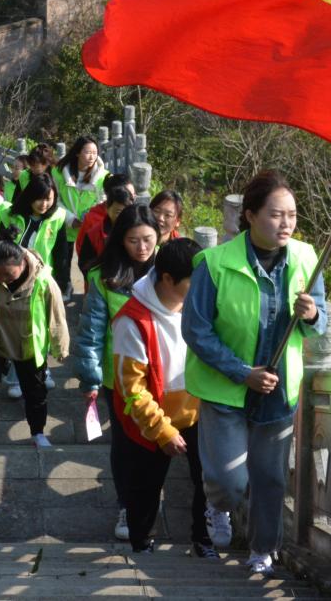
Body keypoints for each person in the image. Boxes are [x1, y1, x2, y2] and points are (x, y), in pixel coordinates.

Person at [182, 170, 328, 575]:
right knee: (229, 481)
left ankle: (264, 548)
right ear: (249, 215)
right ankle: (219, 508)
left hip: (278, 389)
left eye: (293, 215)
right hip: (225, 386)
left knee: (269, 479)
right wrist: (241, 371)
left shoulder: (305, 257)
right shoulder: (213, 263)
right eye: (276, 214)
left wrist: (312, 314)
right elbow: (195, 329)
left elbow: (323, 319)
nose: (287, 224)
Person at [111, 239, 216, 557]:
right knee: (145, 486)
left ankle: (204, 539)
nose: (202, 290)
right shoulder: (132, 321)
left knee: (207, 481)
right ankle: (141, 544)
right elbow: (132, 390)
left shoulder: (200, 305)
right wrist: (162, 430)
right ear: (167, 279)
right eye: (193, 283)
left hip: (198, 412)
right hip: (152, 421)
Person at [75, 204, 160, 541]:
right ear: (120, 241)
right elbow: (91, 332)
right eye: (133, 241)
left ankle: (147, 505)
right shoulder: (104, 277)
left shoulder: (168, 273)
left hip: (163, 374)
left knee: (156, 441)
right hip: (119, 377)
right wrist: (90, 378)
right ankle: (128, 504)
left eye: (148, 240)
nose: (142, 248)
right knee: (125, 444)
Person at [0, 229, 70, 450]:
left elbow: (57, 316)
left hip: (28, 343)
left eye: (8, 275)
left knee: (35, 391)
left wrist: (60, 346)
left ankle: (38, 432)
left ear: (22, 264)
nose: (2, 279)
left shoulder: (43, 281)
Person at [1, 171, 67, 395]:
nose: (44, 203)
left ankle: (43, 369)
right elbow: (0, 249)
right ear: (30, 196)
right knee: (18, 328)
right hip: (15, 280)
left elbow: (61, 252)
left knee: (43, 326)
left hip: (43, 279)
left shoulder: (57, 217)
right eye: (40, 198)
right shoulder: (11, 215)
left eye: (49, 198)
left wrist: (62, 280)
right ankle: (15, 379)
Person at [53, 136, 107, 300]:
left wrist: (90, 217)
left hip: (91, 227)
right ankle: (64, 287)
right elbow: (55, 199)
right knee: (63, 260)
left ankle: (90, 295)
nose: (92, 156)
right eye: (87, 152)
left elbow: (103, 201)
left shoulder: (103, 176)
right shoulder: (59, 172)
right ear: (77, 153)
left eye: (95, 153)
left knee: (88, 263)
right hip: (66, 224)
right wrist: (70, 219)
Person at [76, 175, 135, 278]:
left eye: (133, 195)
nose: (133, 198)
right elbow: (82, 254)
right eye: (129, 194)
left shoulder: (137, 226)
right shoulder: (93, 222)